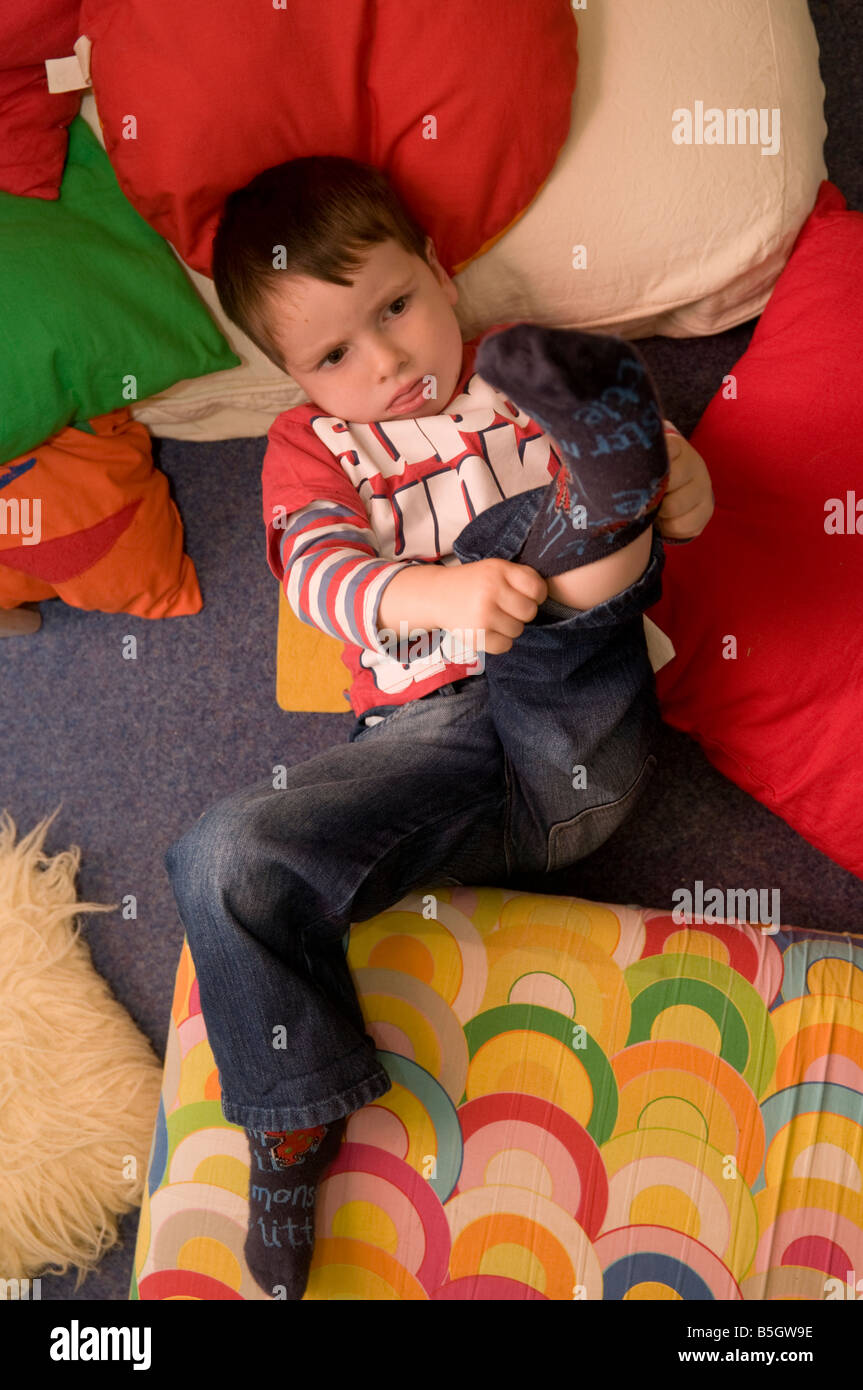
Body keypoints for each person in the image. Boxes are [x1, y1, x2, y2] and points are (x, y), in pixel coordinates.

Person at [164, 155, 714, 1300]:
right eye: (332, 357)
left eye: (397, 309)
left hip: (574, 740)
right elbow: (318, 574)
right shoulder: (314, 449)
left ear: (442, 274)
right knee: (219, 853)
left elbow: (684, 500)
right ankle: (288, 1129)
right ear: (294, 379)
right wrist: (436, 596)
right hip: (429, 762)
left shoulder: (524, 372)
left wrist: (678, 478)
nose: (387, 365)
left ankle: (603, 493)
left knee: (563, 549)